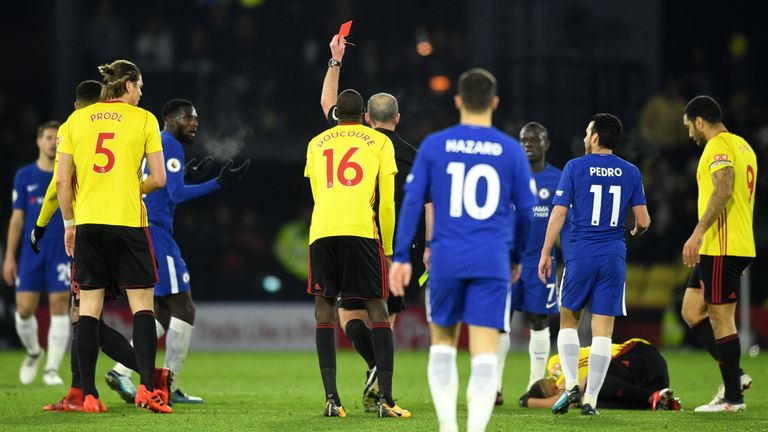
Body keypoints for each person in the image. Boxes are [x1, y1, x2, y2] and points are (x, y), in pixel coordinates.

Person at [389, 68, 535, 432]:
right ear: (495, 102)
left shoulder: (435, 145)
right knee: (484, 352)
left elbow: (412, 203)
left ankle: (448, 428)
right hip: (491, 259)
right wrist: (516, 256)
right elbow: (529, 213)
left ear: (457, 101)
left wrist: (401, 258)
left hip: (446, 258)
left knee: (442, 344)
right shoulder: (510, 150)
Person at [107, 98, 250, 404]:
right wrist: (218, 183)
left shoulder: (153, 143)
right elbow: (175, 194)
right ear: (171, 120)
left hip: (140, 230)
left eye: (196, 118)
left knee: (162, 311)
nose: (195, 123)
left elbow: (165, 188)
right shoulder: (169, 144)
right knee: (184, 308)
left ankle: (121, 370)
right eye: (189, 118)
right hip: (157, 234)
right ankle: (166, 385)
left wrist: (187, 175)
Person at [34, 80, 157, 412]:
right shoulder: (135, 123)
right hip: (129, 223)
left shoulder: (76, 130)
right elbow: (155, 178)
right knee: (129, 306)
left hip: (86, 228)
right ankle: (147, 380)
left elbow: (57, 185)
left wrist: (45, 225)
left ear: (78, 106)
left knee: (84, 312)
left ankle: (83, 391)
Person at [320, 33, 423, 412]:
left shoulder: (350, 138)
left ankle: (375, 370)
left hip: (349, 231)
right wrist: (428, 246)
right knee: (386, 317)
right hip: (390, 242)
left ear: (365, 118)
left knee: (349, 313)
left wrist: (335, 61)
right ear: (396, 118)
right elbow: (425, 204)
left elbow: (329, 104)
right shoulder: (411, 154)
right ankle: (382, 380)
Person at [305, 87, 410, 419]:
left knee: (325, 312)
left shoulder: (316, 143)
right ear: (364, 115)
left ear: (337, 113)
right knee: (378, 310)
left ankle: (332, 400)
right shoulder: (379, 142)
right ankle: (387, 400)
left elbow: (317, 191)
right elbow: (387, 202)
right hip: (363, 230)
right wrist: (389, 248)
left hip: (322, 229)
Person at [538, 113, 651, 416]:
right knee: (603, 332)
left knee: (568, 322)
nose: (586, 137)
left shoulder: (575, 167)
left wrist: (546, 252)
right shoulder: (631, 172)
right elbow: (644, 221)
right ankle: (591, 400)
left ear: (596, 137)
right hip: (614, 256)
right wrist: (636, 231)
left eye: (588, 132)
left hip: (582, 253)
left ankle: (573, 384)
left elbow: (559, 214)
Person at [679, 95, 756, 412]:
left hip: (723, 244)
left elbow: (724, 187)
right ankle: (735, 375)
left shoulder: (717, 147)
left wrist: (697, 232)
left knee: (721, 319)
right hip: (722, 244)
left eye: (688, 127)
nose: (689, 135)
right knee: (691, 310)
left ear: (699, 121)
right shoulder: (743, 146)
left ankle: (732, 399)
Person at [496, 122, 570, 405]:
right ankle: (496, 386)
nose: (528, 145)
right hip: (508, 260)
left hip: (542, 262)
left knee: (539, 320)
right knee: (501, 323)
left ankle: (534, 386)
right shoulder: (509, 177)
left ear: (546, 144)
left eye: (534, 140)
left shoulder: (559, 179)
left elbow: (567, 222)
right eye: (524, 140)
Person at [3, 120, 70, 386]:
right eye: (48, 137)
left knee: (59, 305)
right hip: (32, 250)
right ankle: (33, 352)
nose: (53, 142)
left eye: (57, 138)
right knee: (23, 309)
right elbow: (17, 219)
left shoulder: (67, 173)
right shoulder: (24, 176)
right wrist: (9, 256)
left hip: (60, 249)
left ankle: (51, 369)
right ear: (39, 142)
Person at [520, 338, 680, 411]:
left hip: (639, 355)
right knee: (590, 400)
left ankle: (651, 398)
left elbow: (569, 395)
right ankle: (656, 399)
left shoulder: (555, 364)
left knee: (589, 386)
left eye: (554, 388)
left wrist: (529, 402)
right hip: (648, 383)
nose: (557, 390)